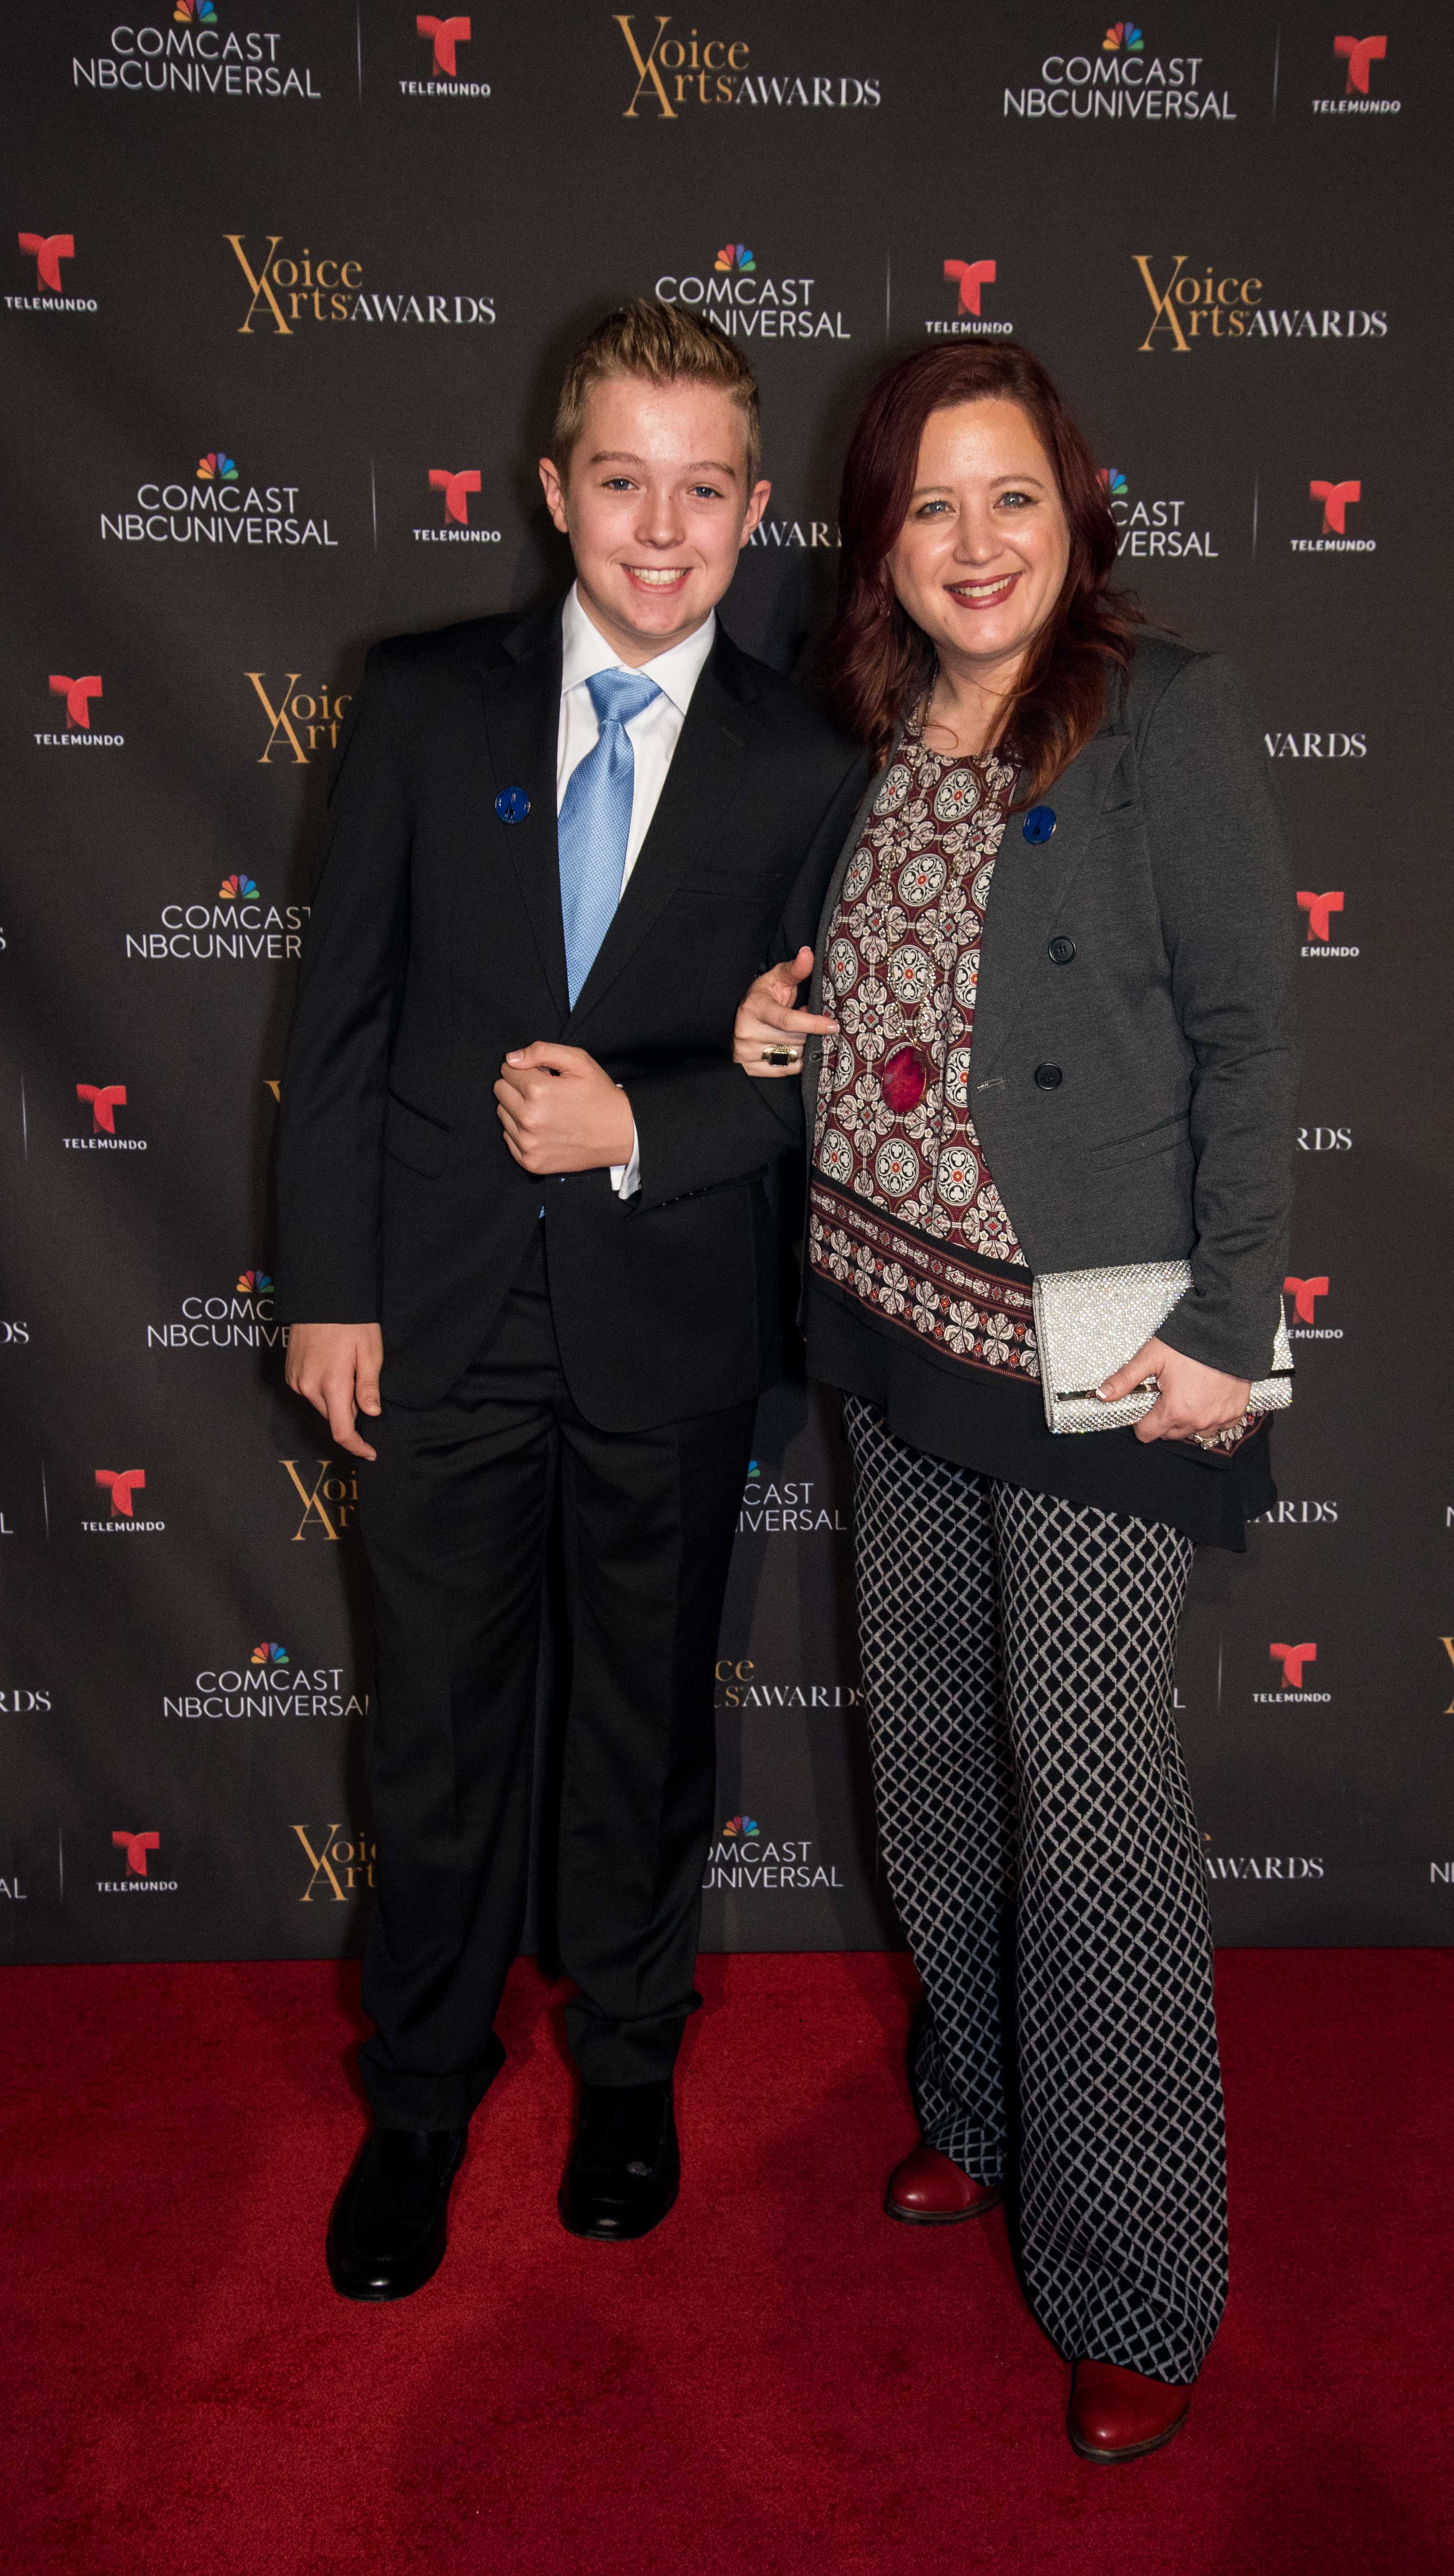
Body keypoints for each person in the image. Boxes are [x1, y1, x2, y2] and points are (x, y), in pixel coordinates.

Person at [732, 342, 1296, 2461]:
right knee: (937, 1768)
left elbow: (1250, 1037)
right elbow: (860, 977)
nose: (975, 546)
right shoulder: (869, 727)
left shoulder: (1164, 715)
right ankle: (979, 2104)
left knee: (1094, 1806)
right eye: (932, 506)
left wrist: (1230, 1319)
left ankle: (1137, 2272)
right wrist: (777, 1014)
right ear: (881, 536)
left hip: (1093, 1355)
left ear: (1077, 512)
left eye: (1014, 499)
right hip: (887, 1320)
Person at [277, 300, 866, 2301]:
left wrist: (642, 1120)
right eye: (623, 481)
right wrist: (329, 1286)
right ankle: (421, 2093)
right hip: (437, 1312)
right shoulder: (422, 700)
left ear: (756, 509)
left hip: (671, 1319)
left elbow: (830, 1076)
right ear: (553, 489)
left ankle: (627, 2062)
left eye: (704, 490)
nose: (662, 528)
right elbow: (339, 1020)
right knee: (437, 1735)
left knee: (639, 1728)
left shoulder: (813, 762)